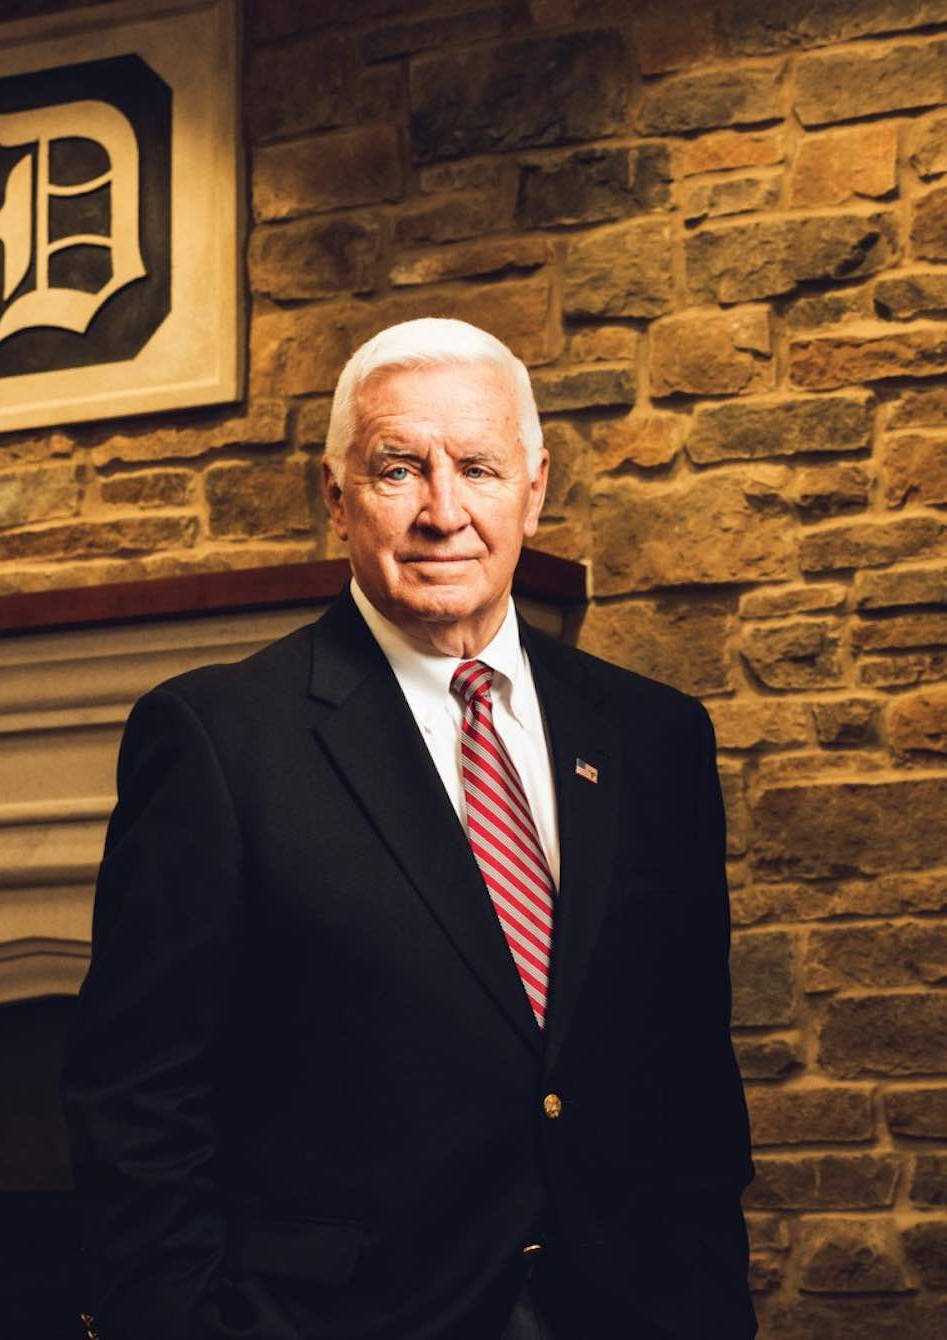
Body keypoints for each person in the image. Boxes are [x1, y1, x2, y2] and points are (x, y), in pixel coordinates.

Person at [61, 318, 756, 1340]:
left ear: (535, 485)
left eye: (477, 466)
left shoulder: (656, 736)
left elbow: (693, 1074)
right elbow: (135, 1104)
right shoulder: (217, 738)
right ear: (338, 496)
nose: (444, 510)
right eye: (399, 468)